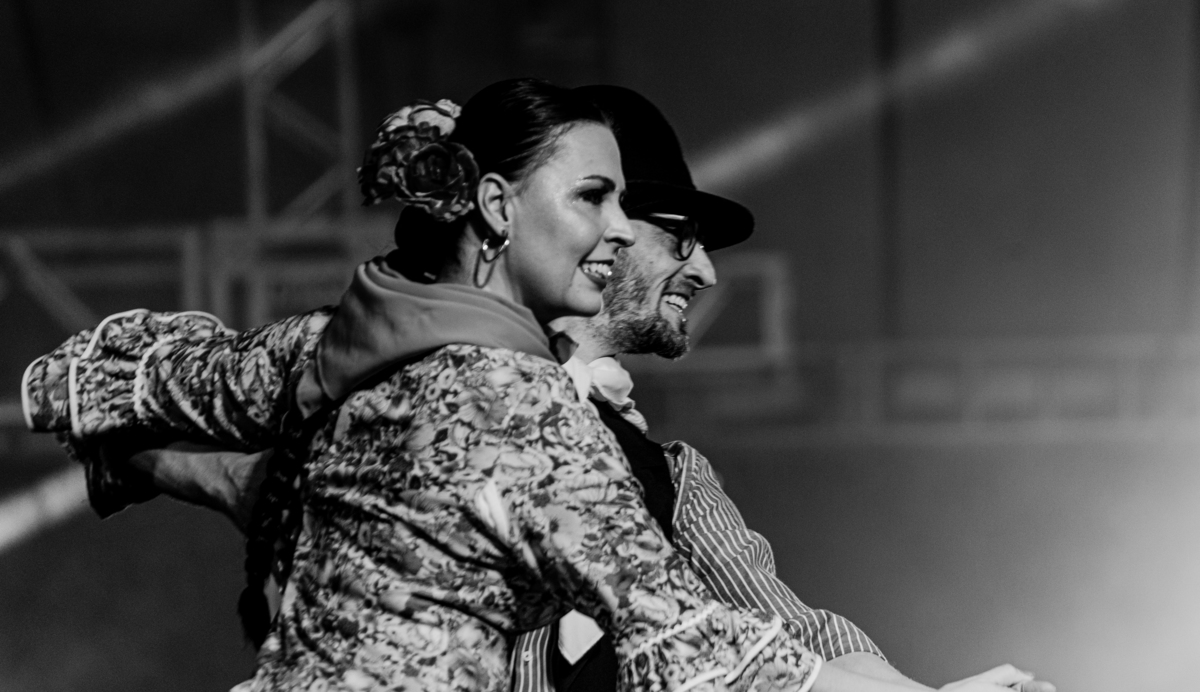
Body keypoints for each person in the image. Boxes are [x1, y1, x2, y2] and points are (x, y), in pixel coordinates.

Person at [32, 83, 1051, 692]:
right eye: (669, 230)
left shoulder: (659, 475)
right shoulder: (454, 382)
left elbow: (783, 636)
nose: (702, 269)